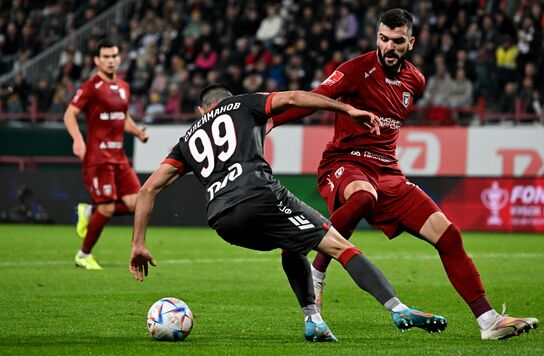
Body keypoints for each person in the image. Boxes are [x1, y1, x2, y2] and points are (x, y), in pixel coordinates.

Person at [271, 8, 538, 340]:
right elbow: (314, 99)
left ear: (410, 43)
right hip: (345, 162)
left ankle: (488, 321)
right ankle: (317, 274)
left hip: (388, 171)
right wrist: (271, 120)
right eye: (383, 39)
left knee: (448, 234)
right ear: (377, 38)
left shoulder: (416, 80)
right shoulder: (355, 70)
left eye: (397, 41)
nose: (389, 47)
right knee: (363, 196)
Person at [129, 83, 447, 342]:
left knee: (291, 244)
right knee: (339, 244)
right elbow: (294, 98)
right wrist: (347, 108)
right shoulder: (244, 104)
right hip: (258, 195)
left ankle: (313, 320)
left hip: (223, 220)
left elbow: (147, 190)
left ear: (202, 111)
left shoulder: (187, 140)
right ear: (230, 99)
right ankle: (398, 308)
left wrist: (138, 244)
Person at [64, 39, 149, 270]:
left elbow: (123, 117)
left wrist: (138, 132)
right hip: (98, 157)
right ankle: (83, 254)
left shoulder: (124, 87)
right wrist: (78, 140)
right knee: (108, 208)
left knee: (136, 203)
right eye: (106, 57)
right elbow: (70, 114)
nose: (111, 60)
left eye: (114, 56)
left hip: (119, 156)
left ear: (119, 58)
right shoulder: (91, 86)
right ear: (97, 60)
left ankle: (89, 210)